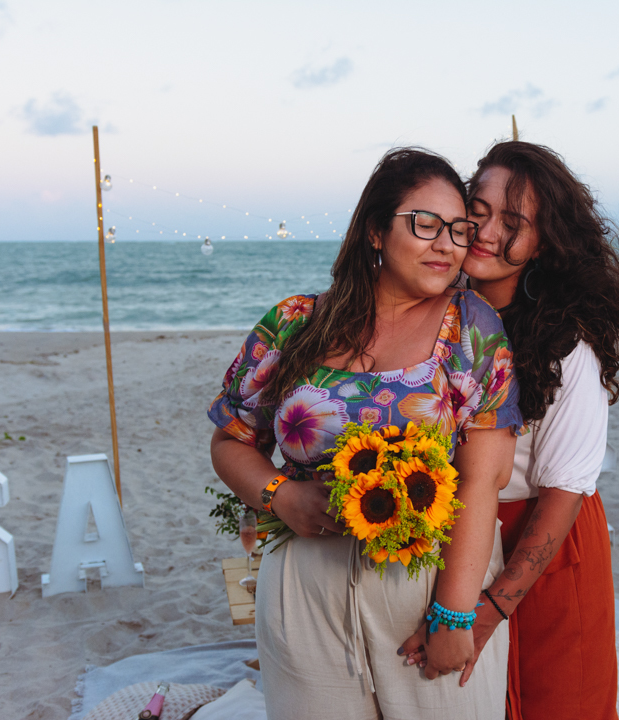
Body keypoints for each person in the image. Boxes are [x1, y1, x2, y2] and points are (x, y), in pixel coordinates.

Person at [207, 148, 523, 720]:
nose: (446, 245)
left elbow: (484, 480)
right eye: (425, 224)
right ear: (376, 230)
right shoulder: (295, 323)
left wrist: (454, 615)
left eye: (459, 230)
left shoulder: (472, 329)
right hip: (303, 584)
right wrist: (280, 495)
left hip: (427, 585)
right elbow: (231, 439)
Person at [401, 141, 619, 719]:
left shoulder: (568, 347)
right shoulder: (436, 312)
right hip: (456, 529)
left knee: (557, 700)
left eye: (513, 223)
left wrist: (488, 613)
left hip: (544, 536)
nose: (486, 231)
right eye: (478, 210)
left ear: (544, 243)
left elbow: (564, 495)